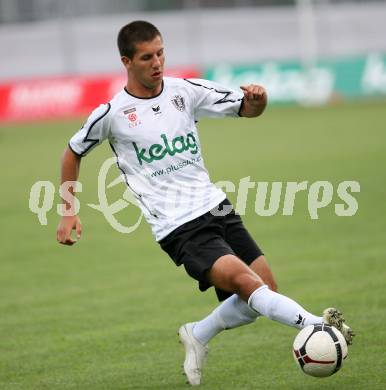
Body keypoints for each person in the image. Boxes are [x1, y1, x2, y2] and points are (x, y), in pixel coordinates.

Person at [56, 20, 354, 386]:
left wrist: (258, 101)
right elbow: (72, 151)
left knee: (264, 291)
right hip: (179, 227)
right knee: (249, 285)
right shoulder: (113, 114)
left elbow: (246, 108)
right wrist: (69, 209)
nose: (157, 63)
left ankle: (197, 333)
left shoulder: (184, 91)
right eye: (147, 57)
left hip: (217, 207)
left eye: (161, 53)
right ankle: (317, 325)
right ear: (127, 61)